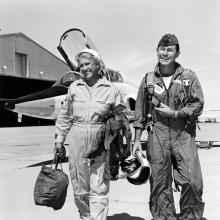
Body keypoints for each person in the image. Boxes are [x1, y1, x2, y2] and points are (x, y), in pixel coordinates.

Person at [133, 34, 205, 220]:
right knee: (159, 185)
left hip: (183, 135)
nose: (165, 53)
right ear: (157, 51)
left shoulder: (189, 77)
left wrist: (175, 113)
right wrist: (136, 141)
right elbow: (139, 112)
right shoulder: (148, 80)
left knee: (192, 182)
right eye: (162, 49)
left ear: (177, 53)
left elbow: (198, 105)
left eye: (170, 50)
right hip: (157, 135)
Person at [54, 48, 125, 220]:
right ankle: (86, 217)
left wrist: (116, 133)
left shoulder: (111, 90)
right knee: (79, 190)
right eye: (81, 65)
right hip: (77, 141)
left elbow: (121, 116)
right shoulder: (74, 88)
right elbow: (65, 116)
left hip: (101, 143)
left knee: (99, 189)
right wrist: (59, 140)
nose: (84, 68)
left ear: (98, 65)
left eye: (88, 64)